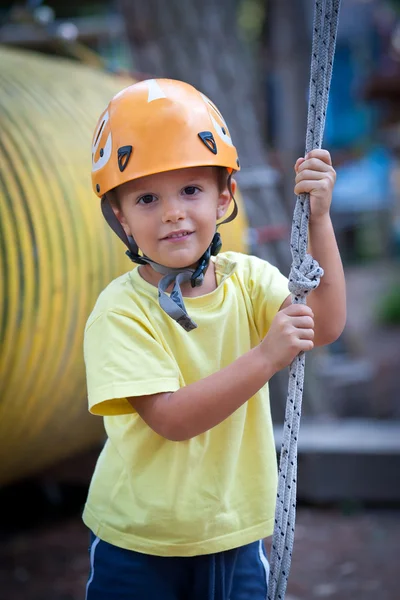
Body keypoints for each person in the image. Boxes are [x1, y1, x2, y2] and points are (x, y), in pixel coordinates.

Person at [83, 78, 346, 600]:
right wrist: (267, 356)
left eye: (191, 190)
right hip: (139, 545)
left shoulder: (248, 282)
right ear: (122, 218)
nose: (173, 212)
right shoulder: (121, 311)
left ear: (225, 195)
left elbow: (326, 322)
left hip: (235, 536)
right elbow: (173, 419)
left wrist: (320, 220)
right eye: (147, 198)